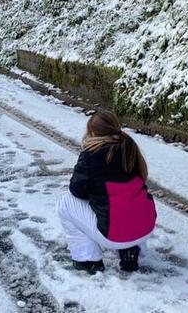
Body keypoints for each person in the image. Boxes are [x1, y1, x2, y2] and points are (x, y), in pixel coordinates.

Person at [57, 111, 157, 274]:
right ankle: (129, 251)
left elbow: (76, 190)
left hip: (114, 234)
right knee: (128, 201)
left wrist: (95, 194)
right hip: (145, 227)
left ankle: (88, 260)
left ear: (92, 132)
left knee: (66, 203)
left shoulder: (90, 156)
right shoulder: (130, 147)